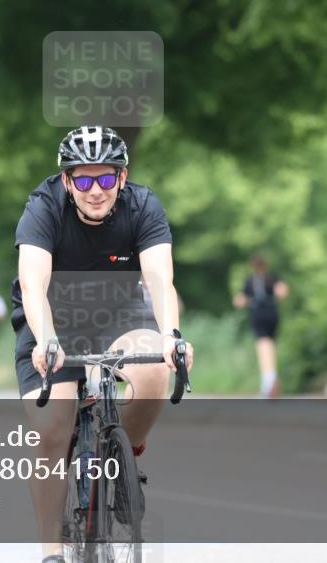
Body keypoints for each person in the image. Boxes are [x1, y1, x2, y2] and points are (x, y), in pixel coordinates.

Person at [11, 126, 193, 563]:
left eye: (107, 179)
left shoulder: (144, 206)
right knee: (52, 430)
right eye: (85, 180)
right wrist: (46, 339)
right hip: (52, 320)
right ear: (68, 180)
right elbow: (34, 286)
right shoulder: (43, 207)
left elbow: (160, 282)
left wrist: (171, 335)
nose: (97, 190)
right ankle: (52, 550)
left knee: (152, 367)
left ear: (122, 179)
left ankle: (123, 455)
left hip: (119, 315)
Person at [232, 254, 288, 398]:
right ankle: (271, 378)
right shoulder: (272, 277)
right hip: (272, 312)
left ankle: (268, 382)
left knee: (263, 347)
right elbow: (282, 292)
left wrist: (246, 301)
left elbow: (238, 301)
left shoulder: (250, 281)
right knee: (271, 347)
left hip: (258, 313)